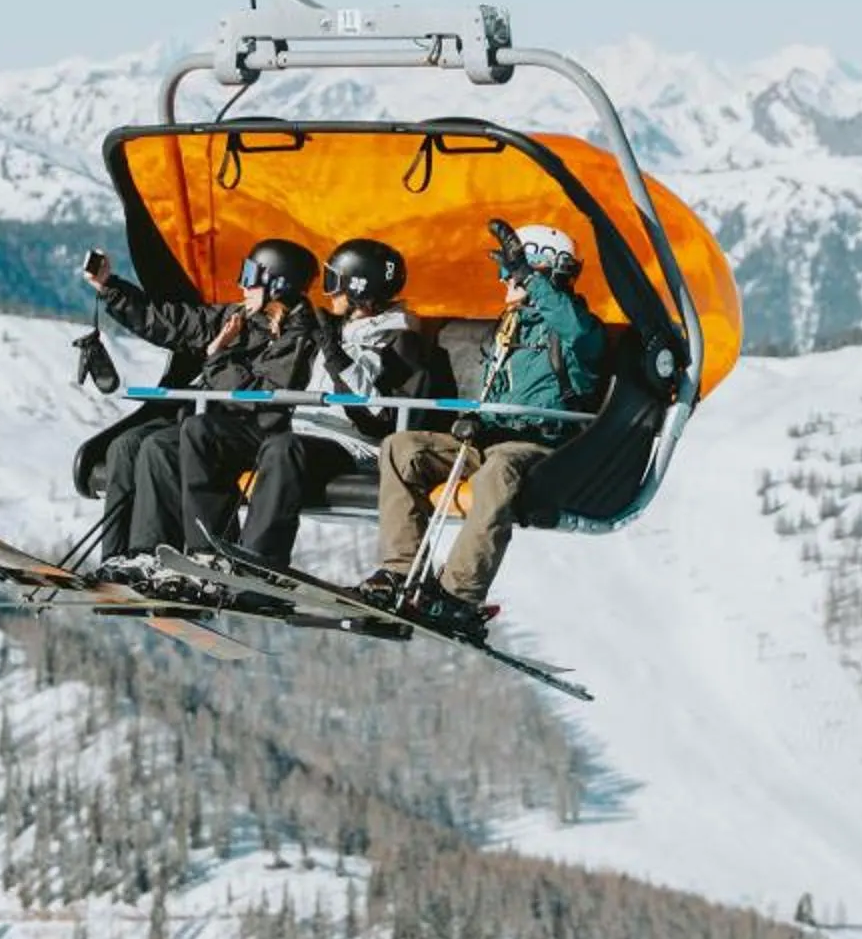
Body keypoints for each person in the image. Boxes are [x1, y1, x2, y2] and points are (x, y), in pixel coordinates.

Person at [362, 222, 606, 641]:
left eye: (509, 274)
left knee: (497, 473)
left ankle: (459, 595)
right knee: (402, 448)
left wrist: (530, 278)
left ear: (543, 270)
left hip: (536, 445)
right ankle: (401, 571)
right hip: (488, 439)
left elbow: (577, 330)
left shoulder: (577, 332)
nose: (502, 282)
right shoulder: (509, 327)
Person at [79, 238, 324, 577]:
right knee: (130, 444)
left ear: (278, 284)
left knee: (173, 440)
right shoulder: (237, 318)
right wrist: (110, 288)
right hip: (213, 429)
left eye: (251, 275)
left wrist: (217, 354)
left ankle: (205, 552)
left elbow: (257, 396)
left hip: (255, 433)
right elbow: (171, 323)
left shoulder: (299, 335)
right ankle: (128, 558)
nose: (243, 284)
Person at [231, 237, 455, 568]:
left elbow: (379, 413)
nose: (328, 292)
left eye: (334, 282)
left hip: (353, 444)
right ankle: (202, 552)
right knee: (203, 433)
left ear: (358, 287)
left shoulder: (399, 340)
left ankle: (257, 563)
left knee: (283, 449)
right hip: (308, 434)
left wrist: (337, 357)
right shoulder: (338, 328)